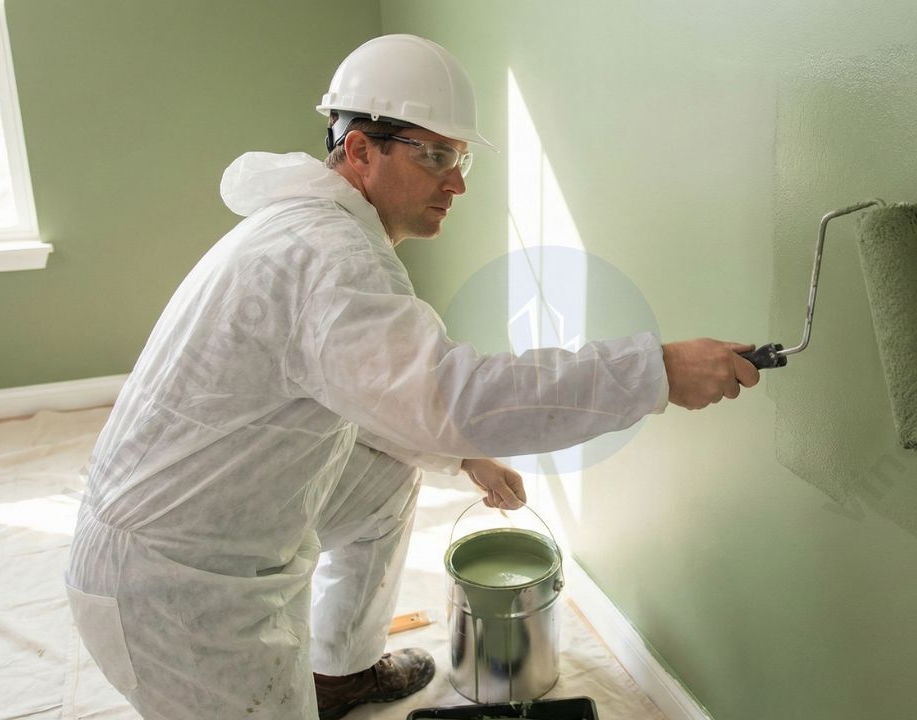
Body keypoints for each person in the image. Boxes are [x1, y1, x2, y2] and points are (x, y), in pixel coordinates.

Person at [65, 33, 760, 720]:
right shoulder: (329, 259)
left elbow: (372, 391)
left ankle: (342, 671)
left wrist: (463, 454)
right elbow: (458, 395)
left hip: (207, 518)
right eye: (434, 156)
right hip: (174, 589)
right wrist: (654, 371)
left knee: (384, 481)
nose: (456, 181)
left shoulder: (318, 230)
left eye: (459, 158)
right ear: (361, 149)